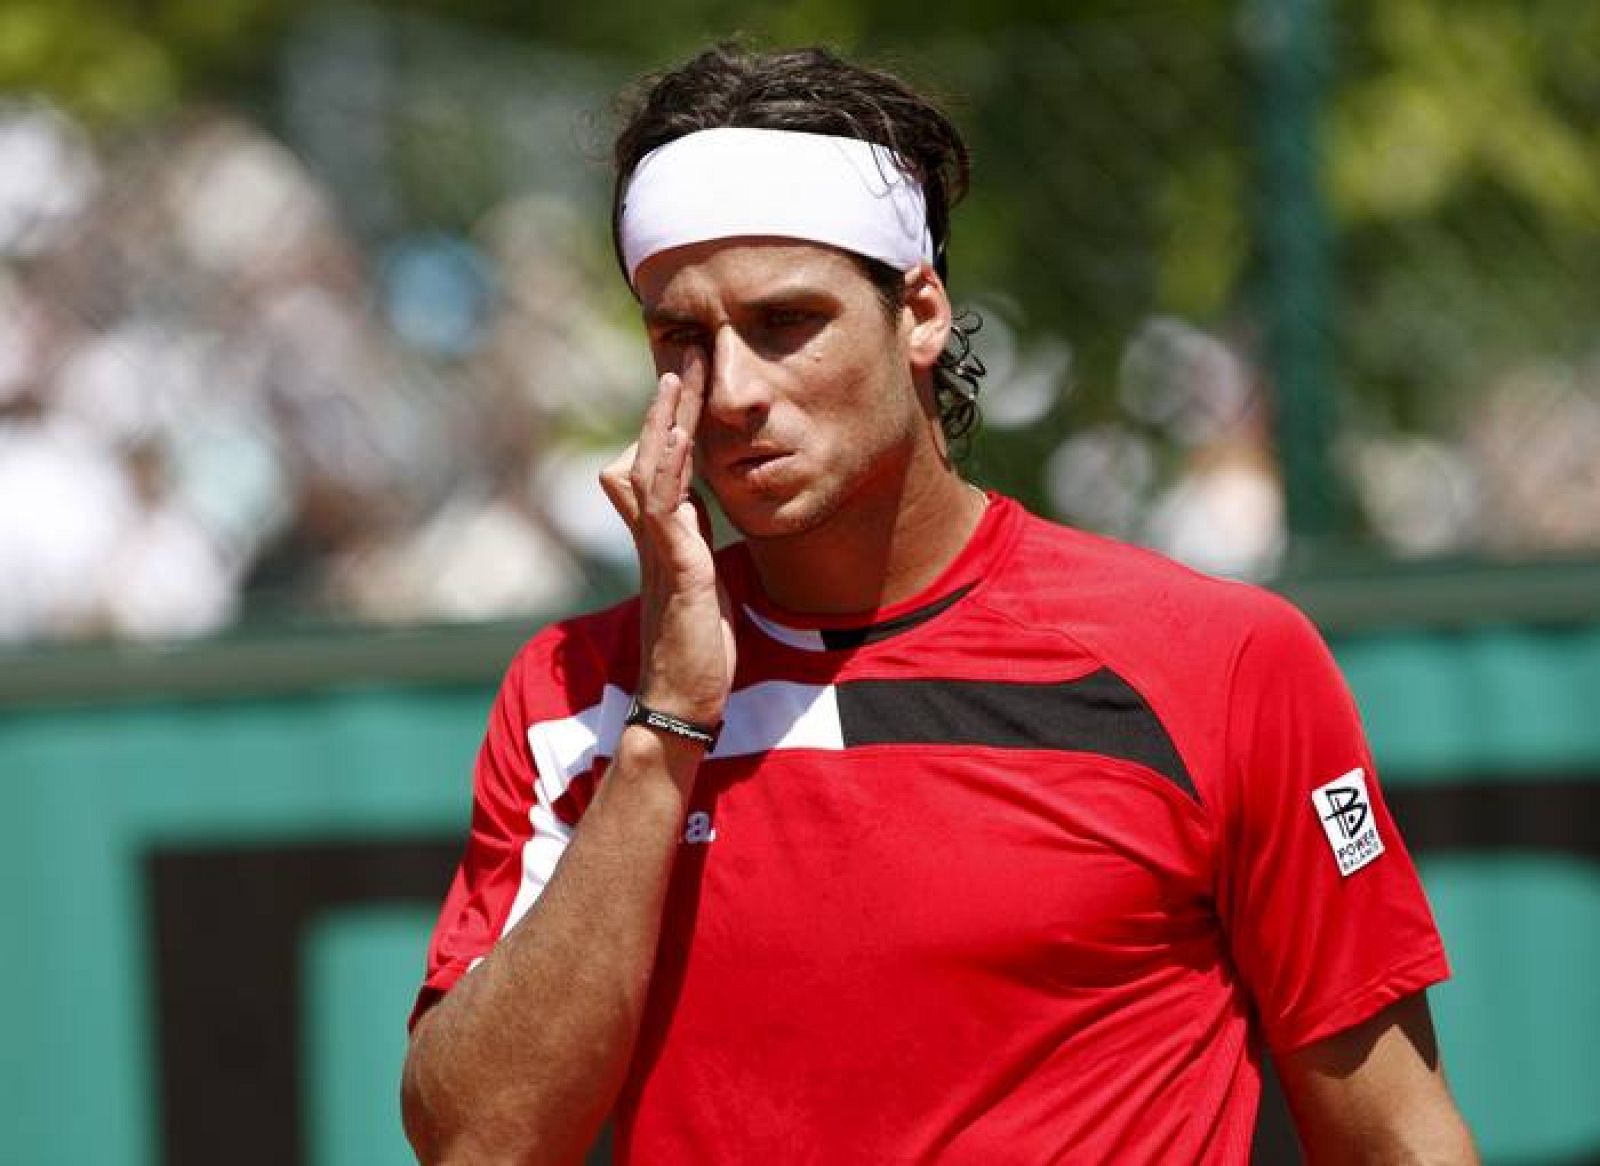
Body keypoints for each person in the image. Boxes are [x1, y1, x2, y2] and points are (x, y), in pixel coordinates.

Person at [401, 43, 1477, 1165]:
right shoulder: (580, 692)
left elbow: (1396, 1134)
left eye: (785, 323)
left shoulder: (1223, 661)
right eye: (682, 336)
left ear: (919, 311)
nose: (733, 392)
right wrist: (667, 722)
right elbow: (480, 1141)